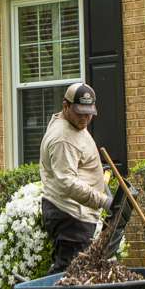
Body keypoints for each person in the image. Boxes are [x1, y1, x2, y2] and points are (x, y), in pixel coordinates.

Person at [38, 82, 110, 273]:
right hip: (70, 215)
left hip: (74, 214)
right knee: (70, 274)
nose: (85, 118)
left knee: (71, 271)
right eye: (80, 112)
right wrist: (103, 201)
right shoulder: (63, 138)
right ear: (66, 106)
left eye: (89, 113)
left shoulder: (72, 124)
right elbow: (67, 182)